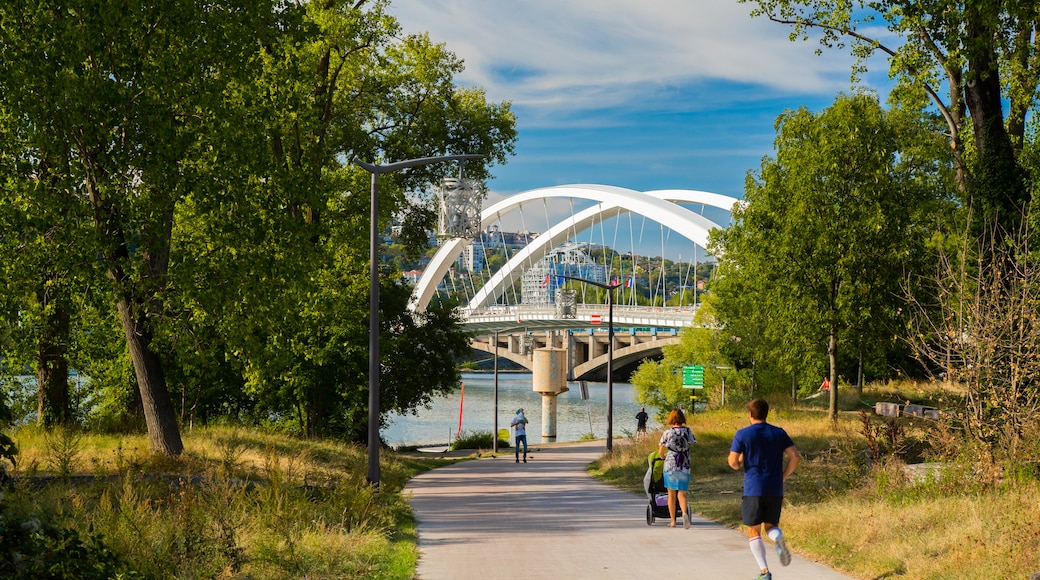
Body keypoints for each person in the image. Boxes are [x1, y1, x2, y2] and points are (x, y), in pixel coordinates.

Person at [728, 398, 801, 580]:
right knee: (771, 526)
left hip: (754, 488)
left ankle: (764, 572)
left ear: (750, 414)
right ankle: (778, 539)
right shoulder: (778, 433)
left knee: (754, 531)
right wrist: (783, 476)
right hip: (775, 488)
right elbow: (795, 457)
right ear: (766, 413)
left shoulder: (743, 434)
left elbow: (733, 463)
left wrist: (741, 461)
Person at [657, 408, 696, 528]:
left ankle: (673, 521)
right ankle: (684, 513)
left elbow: (661, 452)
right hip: (684, 465)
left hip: (670, 465)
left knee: (671, 495)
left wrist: (663, 457)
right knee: (682, 494)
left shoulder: (667, 433)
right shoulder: (688, 431)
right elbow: (692, 442)